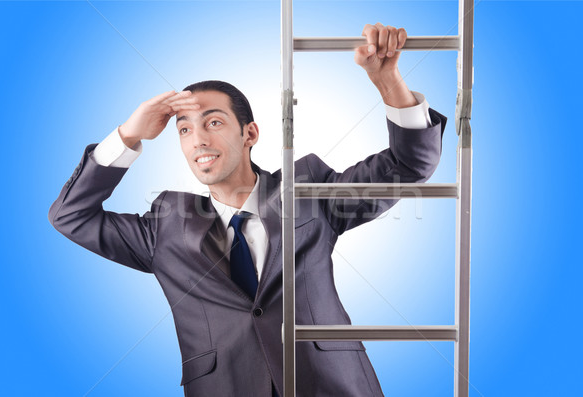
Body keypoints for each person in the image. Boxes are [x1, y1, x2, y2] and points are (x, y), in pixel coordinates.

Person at [48, 23, 446, 397]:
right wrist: (128, 135)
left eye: (214, 122)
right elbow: (70, 215)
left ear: (249, 133)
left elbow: (408, 166)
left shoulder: (306, 189)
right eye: (184, 129)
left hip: (330, 384)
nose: (198, 140)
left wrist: (388, 81)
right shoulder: (164, 227)